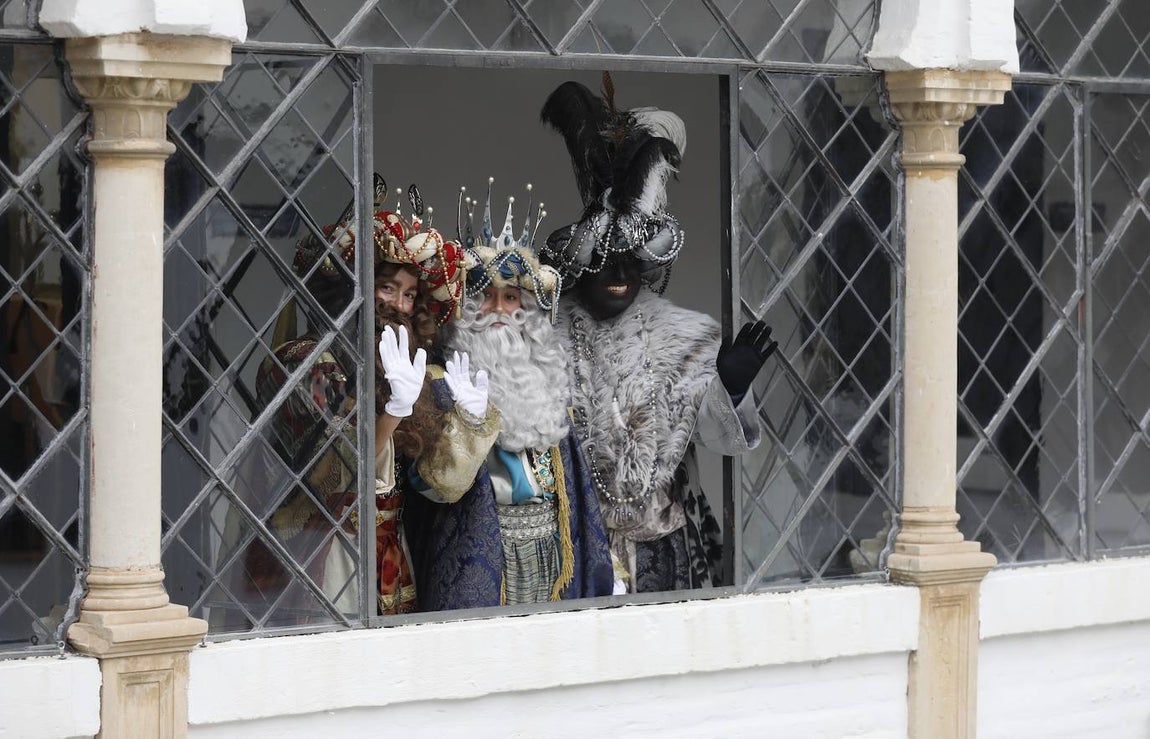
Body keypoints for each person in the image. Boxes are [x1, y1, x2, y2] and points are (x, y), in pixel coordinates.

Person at [539, 79, 778, 593]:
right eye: (606, 261)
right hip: (575, 552)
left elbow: (717, 435)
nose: (619, 274)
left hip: (668, 553)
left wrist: (730, 388)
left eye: (631, 262)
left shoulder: (683, 338)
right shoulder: (543, 341)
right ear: (581, 269)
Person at [238, 175, 464, 621]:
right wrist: (393, 412)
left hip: (388, 562)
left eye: (409, 295)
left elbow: (438, 483)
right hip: (320, 559)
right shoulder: (304, 364)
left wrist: (465, 425)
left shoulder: (401, 371)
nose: (398, 306)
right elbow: (340, 474)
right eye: (387, 288)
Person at [406, 182, 615, 610]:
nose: (500, 310)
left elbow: (578, 499)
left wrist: (602, 572)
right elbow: (426, 487)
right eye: (486, 296)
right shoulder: (438, 382)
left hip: (553, 565)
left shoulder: (546, 386)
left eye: (511, 296)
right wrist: (465, 424)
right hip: (482, 562)